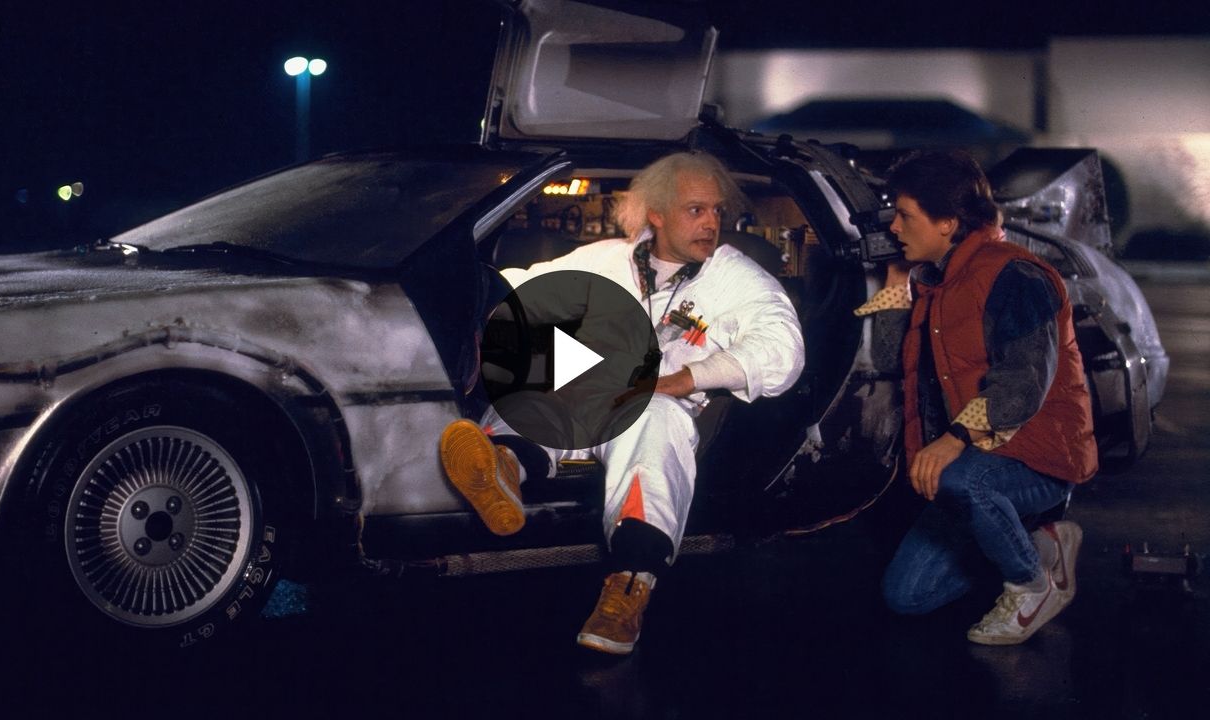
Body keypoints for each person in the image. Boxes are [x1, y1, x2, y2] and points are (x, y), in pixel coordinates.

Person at [438, 151, 805, 655]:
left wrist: (685, 378)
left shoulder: (735, 277)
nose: (711, 223)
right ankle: (504, 466)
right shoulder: (607, 258)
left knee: (650, 418)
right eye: (696, 210)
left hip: (661, 410)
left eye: (717, 211)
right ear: (657, 213)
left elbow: (783, 350)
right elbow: (522, 288)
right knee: (552, 364)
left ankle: (629, 586)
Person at [855, 150, 1097, 645]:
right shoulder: (936, 279)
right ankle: (1040, 546)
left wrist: (953, 440)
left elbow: (1022, 384)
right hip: (973, 463)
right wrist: (897, 287)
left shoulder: (1015, 276)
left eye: (905, 215)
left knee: (964, 481)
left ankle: (1032, 588)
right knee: (906, 595)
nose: (895, 227)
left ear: (947, 222)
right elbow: (890, 358)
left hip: (1036, 460)